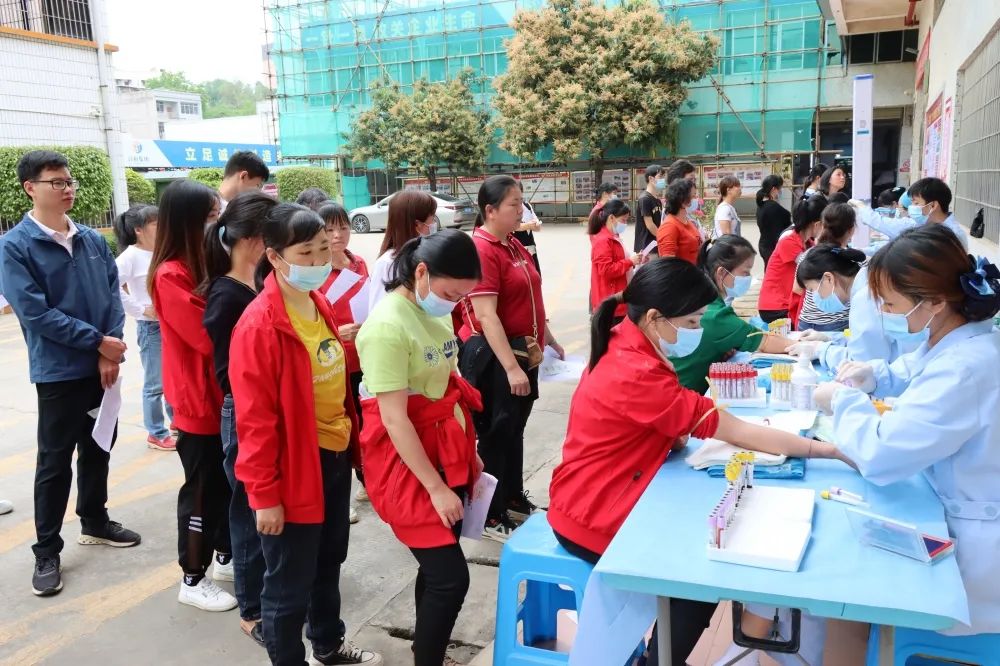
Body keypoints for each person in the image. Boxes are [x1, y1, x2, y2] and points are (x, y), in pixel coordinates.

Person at [547, 258, 840, 666]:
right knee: (699, 571)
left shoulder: (628, 341)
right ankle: (662, 661)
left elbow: (670, 425)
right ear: (655, 318)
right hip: (593, 513)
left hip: (597, 490)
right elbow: (734, 430)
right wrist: (824, 450)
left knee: (716, 527)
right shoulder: (636, 371)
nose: (698, 331)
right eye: (691, 322)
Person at [727, 225, 1000, 662]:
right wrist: (871, 375)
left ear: (934, 301)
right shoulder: (953, 339)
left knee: (831, 577)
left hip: (973, 547)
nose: (885, 314)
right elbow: (911, 370)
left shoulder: (965, 367)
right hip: (945, 505)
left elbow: (880, 454)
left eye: (890, 305)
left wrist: (843, 400)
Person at [229, 203, 381, 665]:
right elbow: (254, 422)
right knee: (288, 583)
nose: (318, 260)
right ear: (275, 258)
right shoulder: (259, 325)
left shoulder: (317, 303)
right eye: (306, 253)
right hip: (295, 465)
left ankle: (328, 645)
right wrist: (264, 496)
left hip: (333, 454)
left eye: (322, 248)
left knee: (327, 561)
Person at [0, 149, 141, 597]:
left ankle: (95, 520)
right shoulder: (15, 246)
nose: (67, 189)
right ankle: (46, 550)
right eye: (56, 182)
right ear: (30, 188)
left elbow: (112, 296)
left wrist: (110, 349)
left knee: (99, 445)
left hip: (102, 366)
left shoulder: (92, 239)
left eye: (69, 181)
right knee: (54, 462)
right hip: (59, 371)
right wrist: (96, 342)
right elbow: (35, 313)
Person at [356, 230, 483, 666]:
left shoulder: (437, 312)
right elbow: (394, 419)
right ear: (422, 272)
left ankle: (426, 649)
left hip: (444, 447)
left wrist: (469, 449)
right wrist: (435, 487)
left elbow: (446, 381)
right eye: (450, 294)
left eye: (463, 296)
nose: (454, 303)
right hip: (406, 461)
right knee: (451, 579)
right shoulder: (386, 327)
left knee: (436, 569)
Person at [459, 175, 564, 542]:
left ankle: (513, 498)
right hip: (497, 357)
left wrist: (550, 339)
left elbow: (531, 296)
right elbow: (486, 316)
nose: (522, 210)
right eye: (514, 204)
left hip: (524, 351)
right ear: (490, 210)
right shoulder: (483, 249)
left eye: (522, 203)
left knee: (514, 432)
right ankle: (489, 515)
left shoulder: (513, 244)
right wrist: (509, 368)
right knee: (495, 435)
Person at [149, 179, 237, 612]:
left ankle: (223, 555)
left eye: (217, 216)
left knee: (224, 485)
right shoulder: (170, 274)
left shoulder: (204, 262)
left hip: (219, 393)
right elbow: (207, 334)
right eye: (209, 217)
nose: (215, 225)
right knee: (201, 491)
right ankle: (192, 577)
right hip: (197, 399)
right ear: (187, 221)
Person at [201, 191, 276, 645]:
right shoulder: (226, 295)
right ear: (254, 239)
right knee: (249, 512)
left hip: (268, 407)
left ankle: (271, 591)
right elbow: (229, 373)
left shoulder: (260, 280)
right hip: (246, 412)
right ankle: (251, 609)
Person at [672, 236, 795, 395]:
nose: (749, 278)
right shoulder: (716, 316)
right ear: (722, 272)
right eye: (745, 272)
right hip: (686, 394)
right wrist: (808, 347)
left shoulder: (699, 299)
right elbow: (765, 341)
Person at [318, 201, 370, 518]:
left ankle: (368, 481)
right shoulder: (315, 270)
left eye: (343, 227)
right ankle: (342, 494)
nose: (338, 235)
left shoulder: (358, 263)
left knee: (366, 423)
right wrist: (339, 332)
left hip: (365, 357)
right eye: (330, 229)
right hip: (333, 363)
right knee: (341, 429)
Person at [113, 204, 175, 451]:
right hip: (151, 328)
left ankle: (176, 423)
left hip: (171, 325)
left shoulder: (164, 250)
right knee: (155, 384)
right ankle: (156, 433)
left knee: (172, 378)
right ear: (138, 230)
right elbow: (111, 287)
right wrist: (140, 309)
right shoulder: (129, 257)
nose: (164, 228)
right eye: (157, 224)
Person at [757, 195, 825, 323]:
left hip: (788, 303)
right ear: (817, 224)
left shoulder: (808, 243)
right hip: (775, 307)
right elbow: (811, 268)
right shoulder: (788, 241)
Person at [367, 190, 436, 314]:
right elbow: (377, 312)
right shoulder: (387, 263)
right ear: (418, 225)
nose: (434, 224)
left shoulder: (425, 256)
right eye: (432, 219)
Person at [795, 203, 856, 333]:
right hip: (839, 324)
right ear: (851, 230)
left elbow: (797, 288)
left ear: (822, 226)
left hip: (806, 321)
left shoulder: (808, 255)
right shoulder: (853, 259)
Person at [588, 199, 641, 324]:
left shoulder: (614, 236)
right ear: (611, 218)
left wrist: (635, 260)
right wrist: (630, 262)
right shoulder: (603, 241)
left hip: (617, 297)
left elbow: (619, 260)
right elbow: (606, 270)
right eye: (623, 220)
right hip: (610, 301)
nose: (625, 224)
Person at [657, 178, 701, 264]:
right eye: (693, 196)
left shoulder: (686, 221)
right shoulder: (669, 226)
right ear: (682, 199)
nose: (696, 198)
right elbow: (668, 263)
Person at [756, 175, 790, 267]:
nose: (780, 191)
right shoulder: (775, 208)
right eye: (780, 189)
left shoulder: (761, 206)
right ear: (774, 189)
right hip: (774, 248)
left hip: (764, 245)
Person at [633, 164, 666, 255]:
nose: (663, 179)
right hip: (647, 247)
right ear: (651, 178)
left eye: (663, 177)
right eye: (660, 176)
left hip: (656, 244)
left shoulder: (657, 200)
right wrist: (663, 238)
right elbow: (650, 224)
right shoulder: (645, 199)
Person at [514, 181, 542, 273]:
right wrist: (529, 225)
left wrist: (535, 225)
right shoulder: (508, 207)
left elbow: (538, 226)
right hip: (515, 246)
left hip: (530, 246)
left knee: (535, 273)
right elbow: (512, 226)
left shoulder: (527, 206)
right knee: (521, 275)